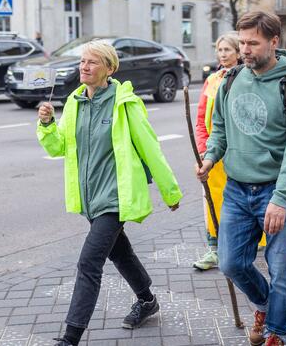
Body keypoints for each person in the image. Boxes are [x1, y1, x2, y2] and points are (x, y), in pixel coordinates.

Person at [37, 40, 182, 346]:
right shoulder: (75, 102)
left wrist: (170, 192)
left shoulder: (124, 103)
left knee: (89, 263)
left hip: (115, 196)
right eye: (82, 61)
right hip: (90, 198)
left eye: (92, 62)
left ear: (109, 69)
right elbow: (59, 147)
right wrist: (47, 124)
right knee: (120, 252)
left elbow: (150, 148)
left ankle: (70, 337)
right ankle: (147, 300)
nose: (84, 67)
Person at [196, 11, 286, 346]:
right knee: (231, 262)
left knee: (281, 268)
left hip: (278, 191)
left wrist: (281, 197)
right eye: (242, 42)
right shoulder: (232, 79)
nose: (244, 49)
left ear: (274, 42)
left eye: (253, 43)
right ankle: (263, 304)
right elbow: (220, 129)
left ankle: (277, 332)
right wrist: (210, 157)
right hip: (236, 188)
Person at [192, 33, 241, 271]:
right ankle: (213, 248)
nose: (222, 54)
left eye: (227, 50)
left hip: (236, 153)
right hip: (213, 154)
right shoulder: (212, 79)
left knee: (234, 202)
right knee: (211, 200)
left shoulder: (245, 77)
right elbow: (202, 118)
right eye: (220, 50)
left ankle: (234, 249)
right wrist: (204, 148)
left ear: (238, 52)